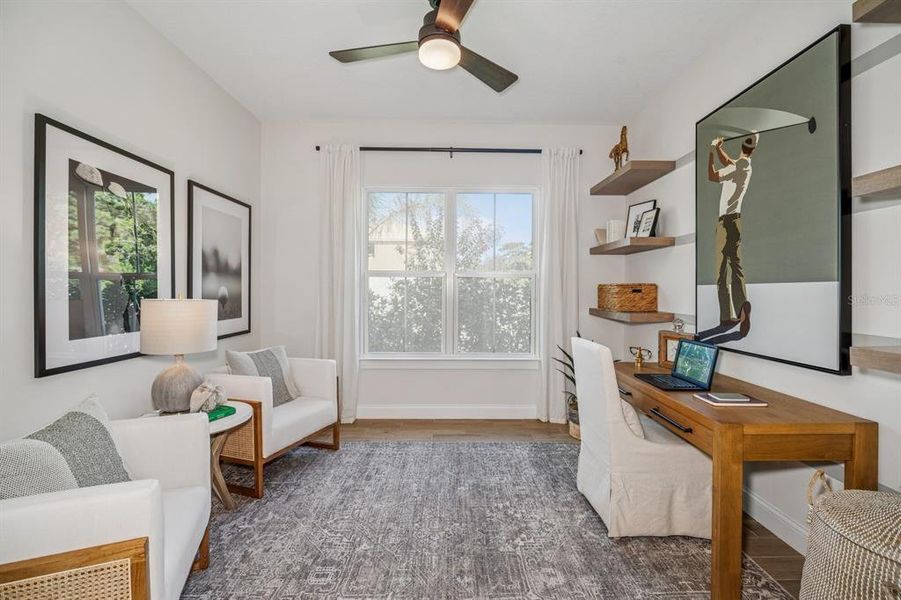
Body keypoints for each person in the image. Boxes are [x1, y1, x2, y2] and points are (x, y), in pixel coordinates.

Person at [707, 132, 758, 338]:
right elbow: (728, 161)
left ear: (742, 147)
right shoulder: (742, 166)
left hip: (725, 223)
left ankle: (726, 316)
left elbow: (712, 175)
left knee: (720, 272)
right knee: (736, 267)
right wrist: (719, 149)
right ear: (753, 149)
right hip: (736, 221)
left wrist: (712, 150)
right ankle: (741, 307)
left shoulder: (737, 166)